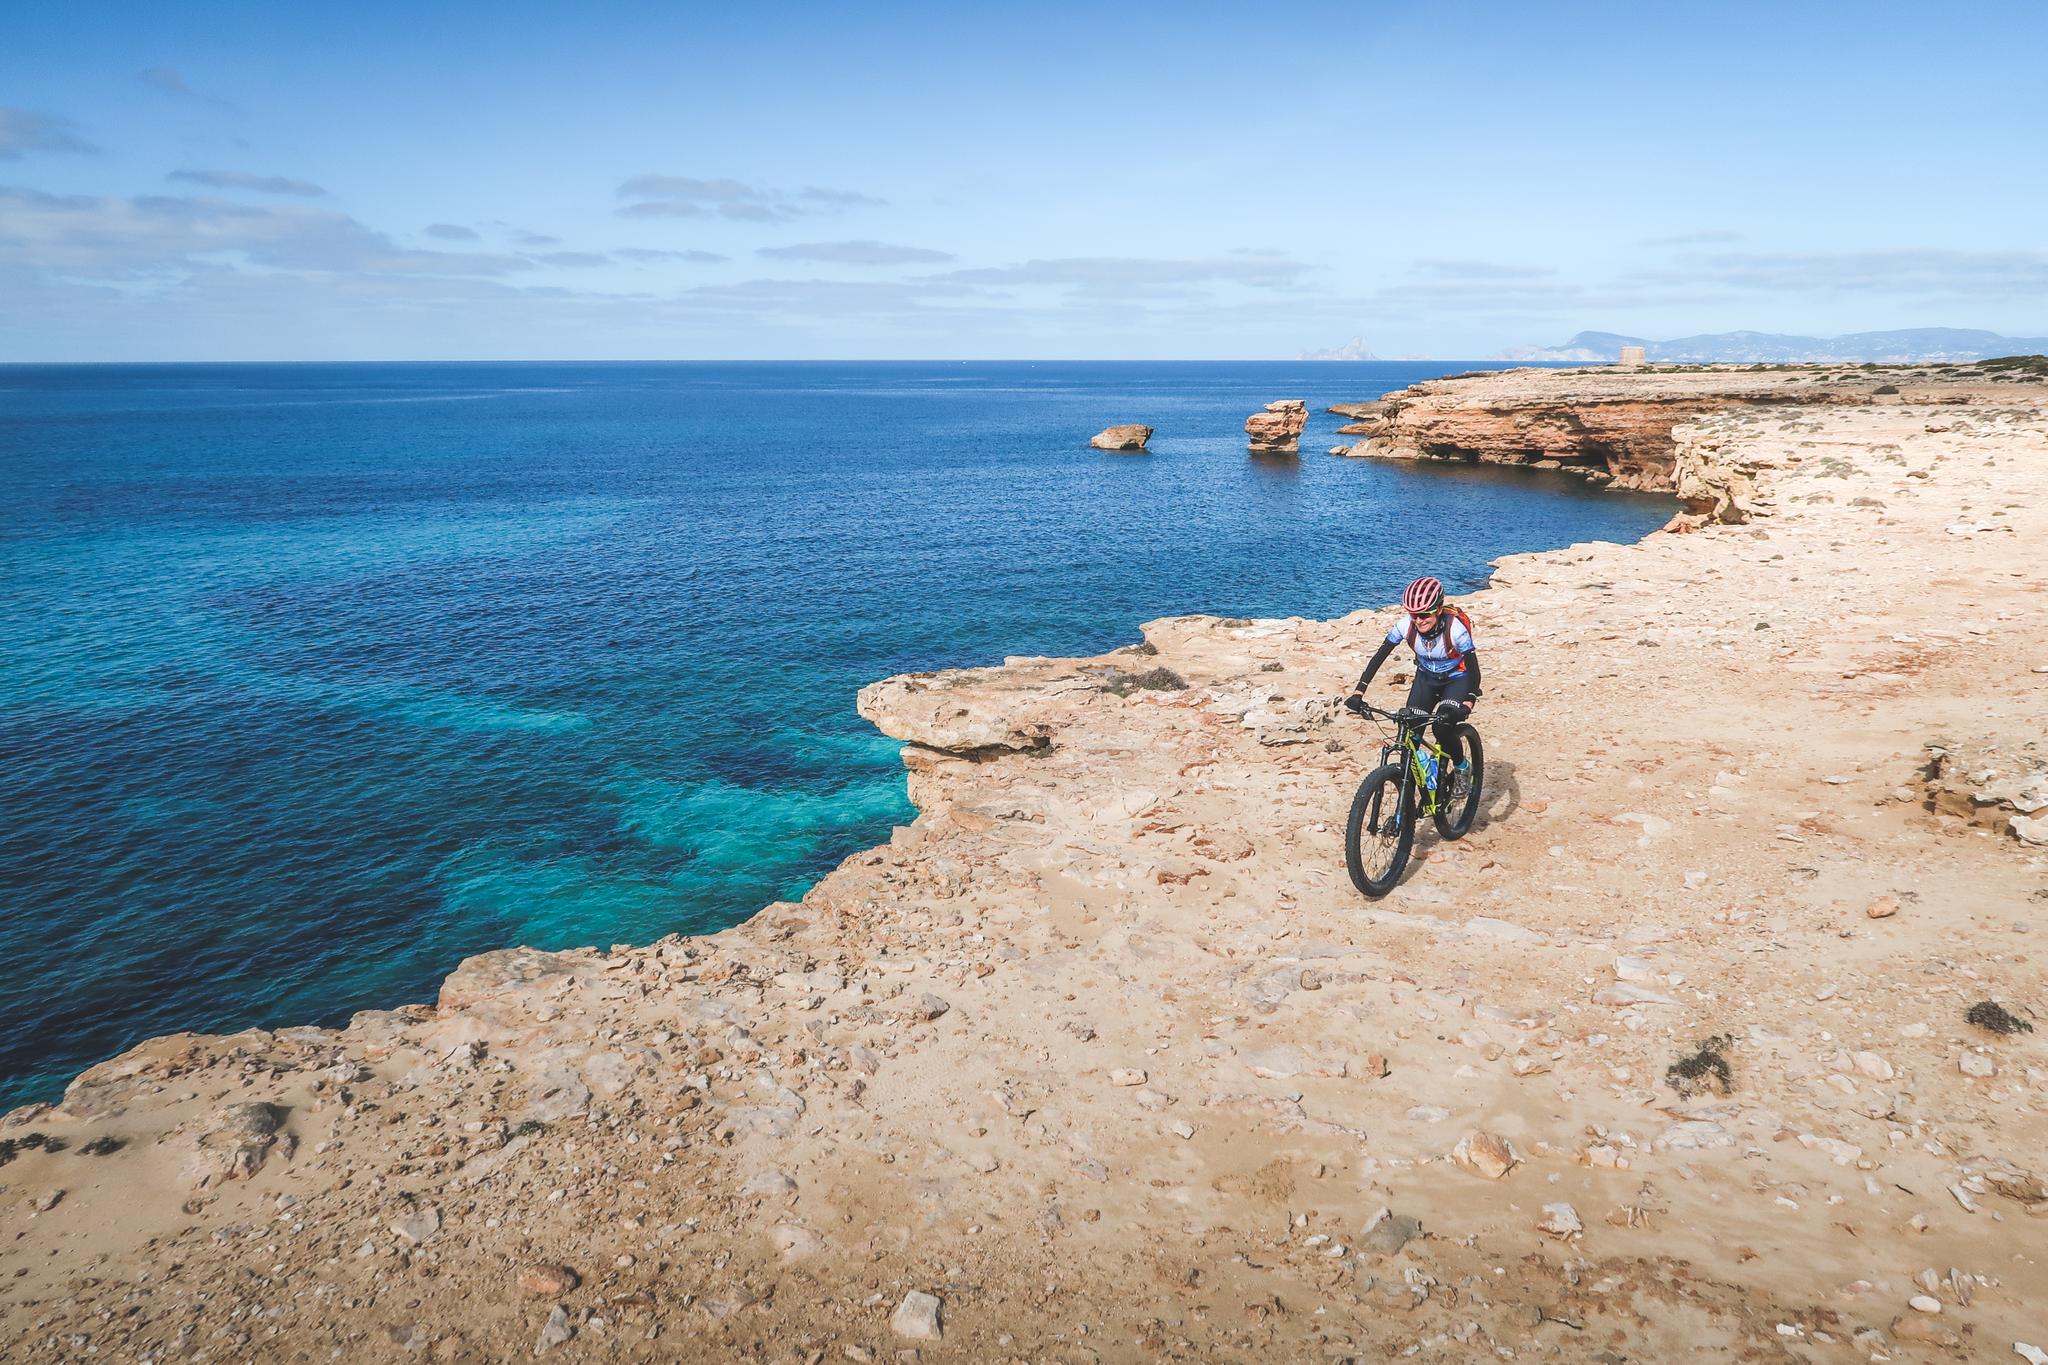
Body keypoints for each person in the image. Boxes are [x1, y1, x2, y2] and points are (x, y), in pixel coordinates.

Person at [1343, 575, 1481, 779]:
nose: (1418, 620)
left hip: (1456, 679)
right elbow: (1379, 657)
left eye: (1424, 614)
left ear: (1439, 609)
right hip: (1426, 678)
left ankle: (1462, 767)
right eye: (1413, 614)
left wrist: (1468, 703)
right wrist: (1358, 692)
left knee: (1441, 727)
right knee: (1409, 730)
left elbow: (1474, 670)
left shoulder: (1456, 630)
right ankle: (1413, 789)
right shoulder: (1405, 625)